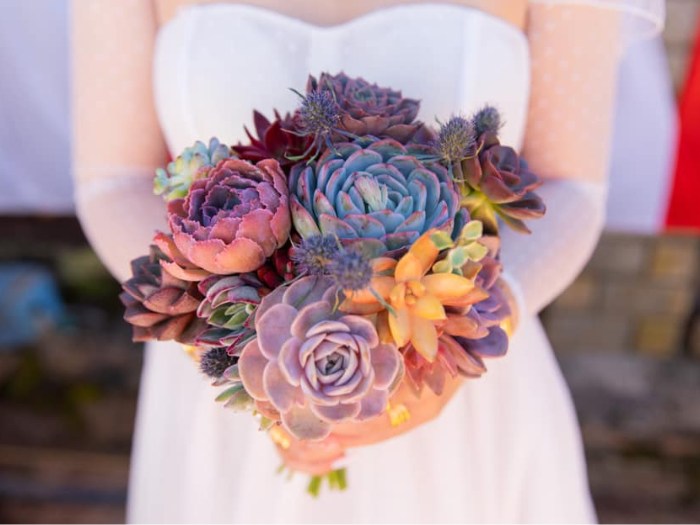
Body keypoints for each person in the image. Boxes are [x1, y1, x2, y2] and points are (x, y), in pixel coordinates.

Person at [71, 0, 664, 522]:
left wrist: (474, 328)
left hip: (453, 379)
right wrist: (244, 355)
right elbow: (114, 181)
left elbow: (571, 188)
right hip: (229, 399)